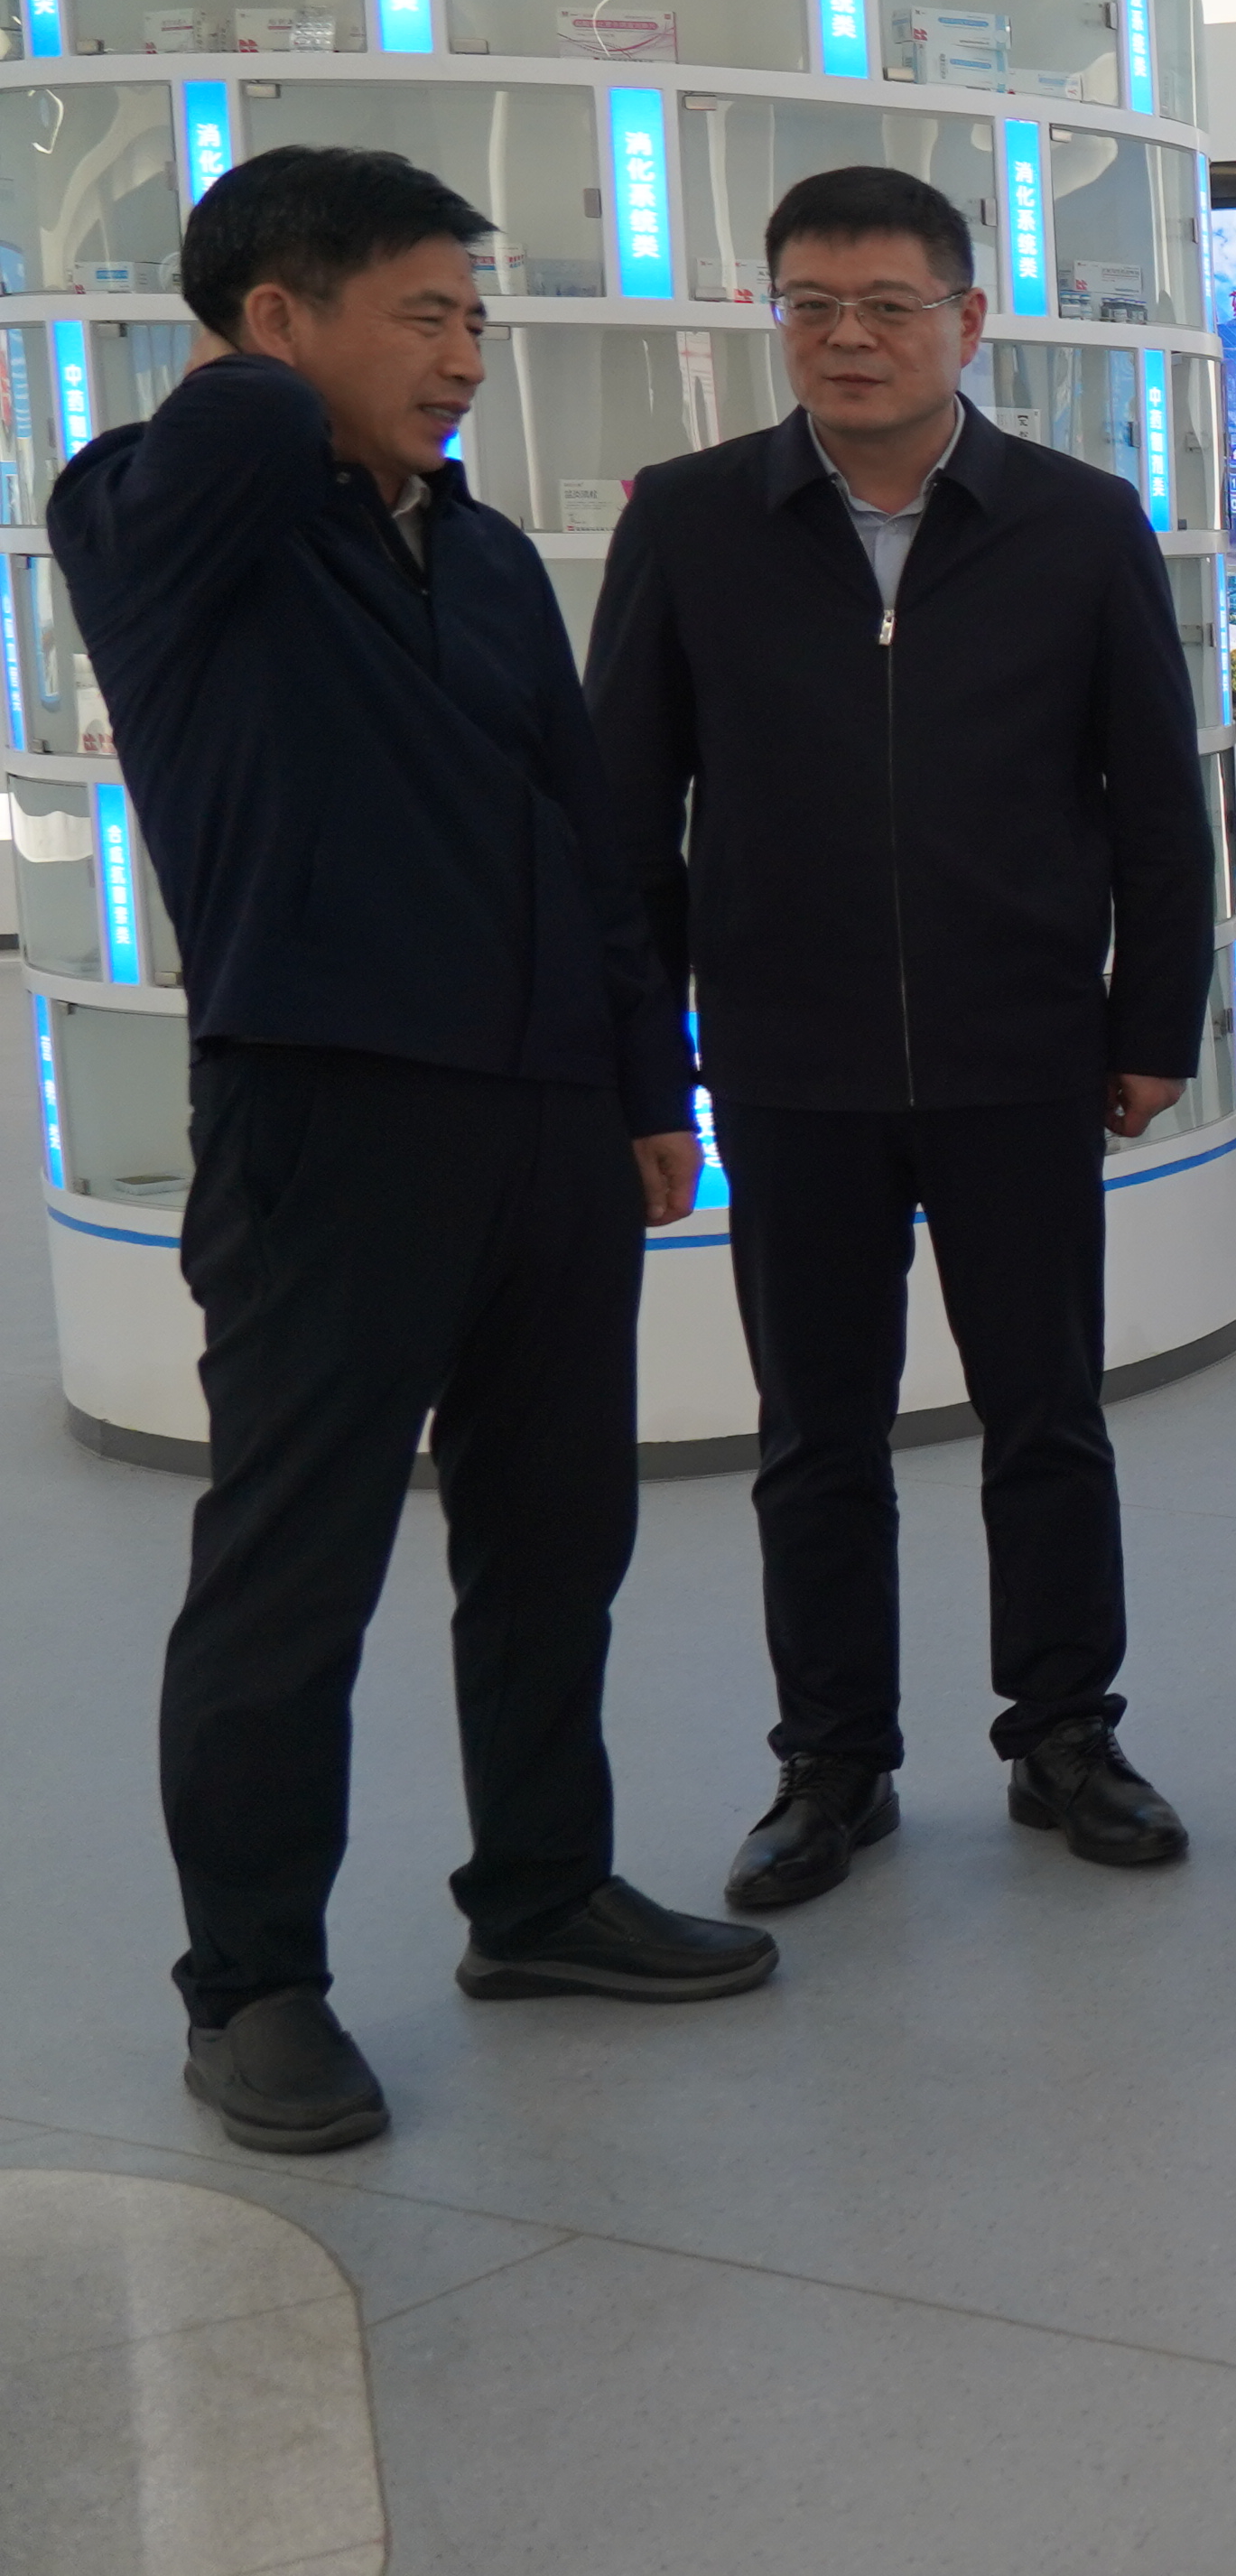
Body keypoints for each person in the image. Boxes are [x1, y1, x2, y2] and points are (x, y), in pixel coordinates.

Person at [61, 146, 770, 2159]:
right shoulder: (157, 511)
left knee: (557, 1537)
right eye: (427, 315)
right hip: (328, 1114)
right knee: (294, 1569)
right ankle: (251, 1986)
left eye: (479, 318)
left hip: (546, 1117)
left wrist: (651, 1083)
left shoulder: (482, 556)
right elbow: (230, 426)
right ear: (278, 325)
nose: (468, 358)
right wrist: (259, 349)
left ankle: (540, 1893)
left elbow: (586, 834)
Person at [585, 163, 1214, 1913]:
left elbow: (1159, 805)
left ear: (968, 320)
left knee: (1048, 1415)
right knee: (816, 1433)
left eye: (886, 304)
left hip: (1026, 1050)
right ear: (773, 315)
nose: (846, 336)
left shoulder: (1079, 522)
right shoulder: (691, 521)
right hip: (788, 1062)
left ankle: (1065, 1732)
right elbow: (624, 828)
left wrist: (1153, 1022)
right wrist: (647, 1068)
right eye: (811, 303)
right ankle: (833, 1761)